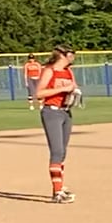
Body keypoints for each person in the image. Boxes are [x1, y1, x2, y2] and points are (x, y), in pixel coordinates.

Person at [33, 46, 81, 203]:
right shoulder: (49, 70)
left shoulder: (69, 71)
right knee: (57, 151)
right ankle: (57, 193)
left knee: (62, 152)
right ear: (61, 55)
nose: (72, 57)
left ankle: (59, 187)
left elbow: (73, 87)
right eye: (70, 54)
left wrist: (75, 92)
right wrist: (63, 88)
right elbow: (39, 93)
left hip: (66, 113)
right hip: (51, 112)